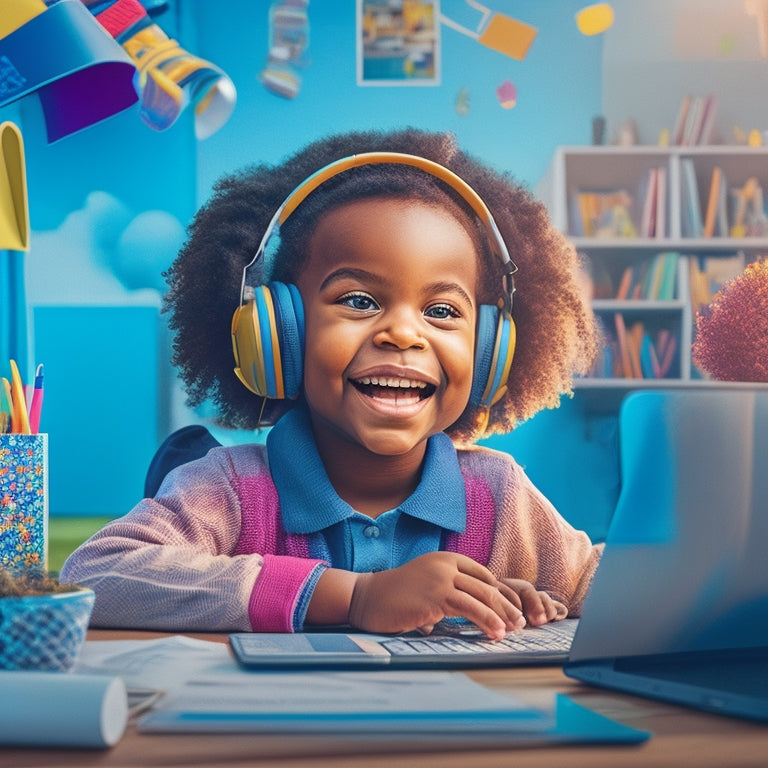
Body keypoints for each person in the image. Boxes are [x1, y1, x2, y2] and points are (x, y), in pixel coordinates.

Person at [61, 127, 602, 640]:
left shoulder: (501, 498)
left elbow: (613, 582)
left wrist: (510, 605)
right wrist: (356, 597)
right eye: (359, 301)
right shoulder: (231, 490)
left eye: (441, 310)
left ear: (490, 353)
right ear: (277, 332)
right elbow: (95, 574)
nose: (402, 333)